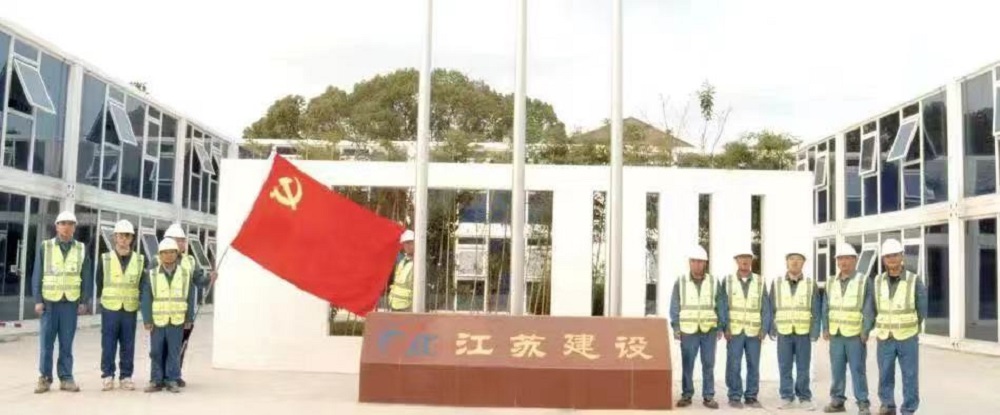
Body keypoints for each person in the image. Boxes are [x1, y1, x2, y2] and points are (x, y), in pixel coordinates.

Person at [32, 211, 93, 394]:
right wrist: (37, 300)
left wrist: (84, 301)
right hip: (49, 303)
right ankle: (44, 378)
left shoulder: (81, 249)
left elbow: (86, 276)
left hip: (70, 304)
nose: (66, 227)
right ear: (57, 226)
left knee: (67, 343)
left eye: (70, 224)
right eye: (63, 223)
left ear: (74, 228)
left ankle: (66, 378)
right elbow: (37, 274)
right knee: (46, 343)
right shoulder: (46, 247)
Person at [872, 239, 927, 415]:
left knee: (909, 375)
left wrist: (912, 326)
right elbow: (874, 307)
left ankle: (909, 409)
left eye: (895, 255)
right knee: (885, 373)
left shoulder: (914, 280)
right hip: (884, 336)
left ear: (902, 256)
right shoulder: (877, 281)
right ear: (883, 259)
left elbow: (922, 309)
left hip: (907, 336)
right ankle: (887, 405)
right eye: (888, 256)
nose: (892, 259)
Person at [670, 245, 725, 409]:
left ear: (705, 263)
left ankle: (708, 396)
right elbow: (675, 306)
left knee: (708, 364)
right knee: (688, 364)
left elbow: (720, 305)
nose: (697, 264)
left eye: (700, 261)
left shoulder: (713, 282)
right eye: (694, 261)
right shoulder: (681, 282)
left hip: (709, 330)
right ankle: (686, 395)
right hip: (688, 330)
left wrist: (720, 326)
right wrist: (676, 327)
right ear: (689, 262)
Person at [160, 224, 215, 387]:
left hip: (184, 313)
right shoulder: (157, 261)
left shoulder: (190, 261)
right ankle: (160, 375)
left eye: (183, 240)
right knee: (161, 346)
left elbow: (199, 280)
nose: (183, 244)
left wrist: (209, 278)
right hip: (163, 312)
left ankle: (175, 375)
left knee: (180, 345)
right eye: (179, 240)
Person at [96, 220, 148, 391]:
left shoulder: (140, 260)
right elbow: (99, 281)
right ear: (115, 237)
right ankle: (107, 375)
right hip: (110, 308)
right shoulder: (105, 258)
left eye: (127, 236)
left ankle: (126, 376)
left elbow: (143, 284)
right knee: (108, 343)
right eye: (121, 236)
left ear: (132, 238)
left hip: (129, 308)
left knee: (128, 344)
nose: (124, 239)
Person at [822, 244, 874, 414]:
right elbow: (826, 306)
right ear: (836, 261)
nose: (843, 262)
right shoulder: (831, 282)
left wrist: (866, 330)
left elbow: (869, 308)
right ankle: (837, 401)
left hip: (855, 335)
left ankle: (863, 404)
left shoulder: (863, 281)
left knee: (858, 370)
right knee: (837, 370)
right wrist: (825, 327)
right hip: (836, 334)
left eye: (847, 258)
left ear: (855, 260)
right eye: (840, 259)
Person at [141, 238, 196, 393]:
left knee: (174, 351)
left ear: (177, 254)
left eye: (172, 252)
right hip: (157, 321)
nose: (168, 255)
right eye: (165, 253)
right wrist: (147, 319)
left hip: (177, 320)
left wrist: (189, 318)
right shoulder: (152, 274)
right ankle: (156, 380)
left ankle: (172, 380)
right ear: (160, 255)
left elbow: (190, 297)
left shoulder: (185, 274)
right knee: (156, 352)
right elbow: (146, 298)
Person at [770, 251, 821, 411]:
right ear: (786, 262)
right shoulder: (777, 283)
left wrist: (815, 330)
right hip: (784, 331)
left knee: (803, 366)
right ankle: (786, 396)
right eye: (791, 259)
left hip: (803, 332)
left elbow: (816, 309)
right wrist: (771, 327)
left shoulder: (810, 284)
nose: (795, 262)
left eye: (798, 260)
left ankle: (804, 397)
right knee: (784, 365)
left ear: (803, 263)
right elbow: (771, 307)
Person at [721, 248, 770, 409]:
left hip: (754, 332)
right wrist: (725, 327)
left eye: (748, 257)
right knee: (733, 364)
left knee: (753, 365)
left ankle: (751, 396)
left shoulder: (760, 281)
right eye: (741, 257)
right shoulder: (728, 281)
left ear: (752, 260)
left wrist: (764, 328)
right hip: (734, 332)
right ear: (736, 260)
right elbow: (722, 306)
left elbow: (766, 307)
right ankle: (734, 396)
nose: (744, 260)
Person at [387, 230, 415, 312]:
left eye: (410, 242)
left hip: (408, 307)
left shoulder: (419, 264)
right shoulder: (402, 262)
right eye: (405, 243)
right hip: (394, 303)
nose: (407, 246)